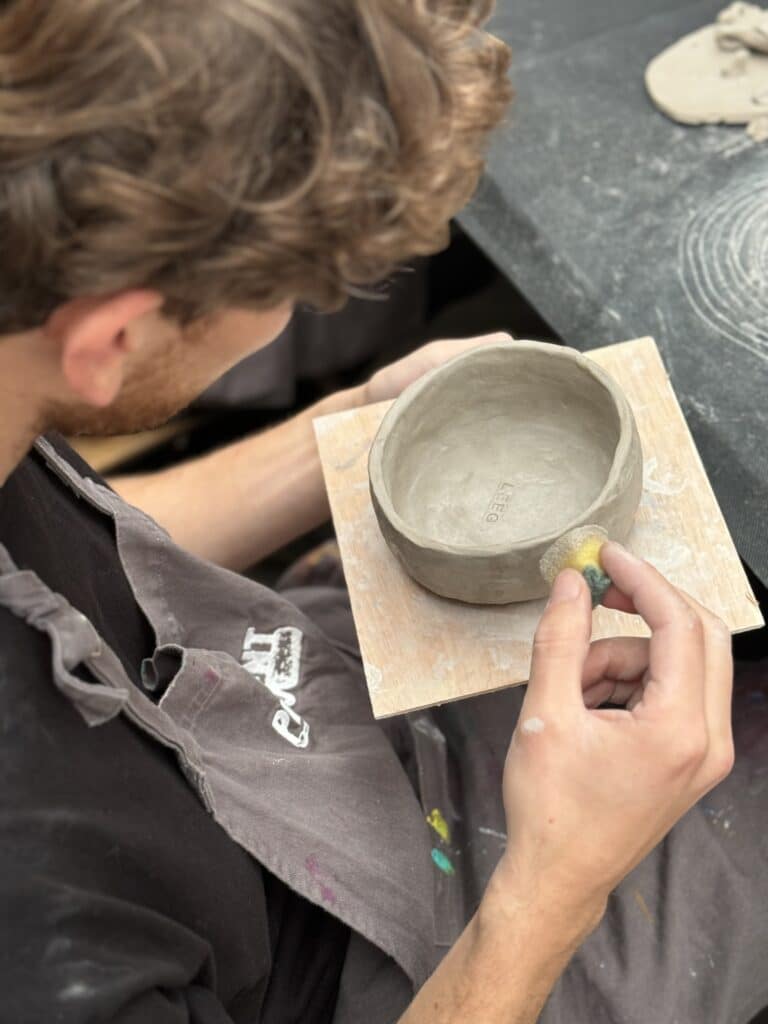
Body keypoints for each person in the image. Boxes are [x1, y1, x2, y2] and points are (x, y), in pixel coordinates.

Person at [1, 2, 765, 1023]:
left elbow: (80, 533)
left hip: (270, 696)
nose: (296, 311)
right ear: (113, 340)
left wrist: (356, 426)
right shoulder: (47, 936)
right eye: (288, 290)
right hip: (412, 963)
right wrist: (555, 881)